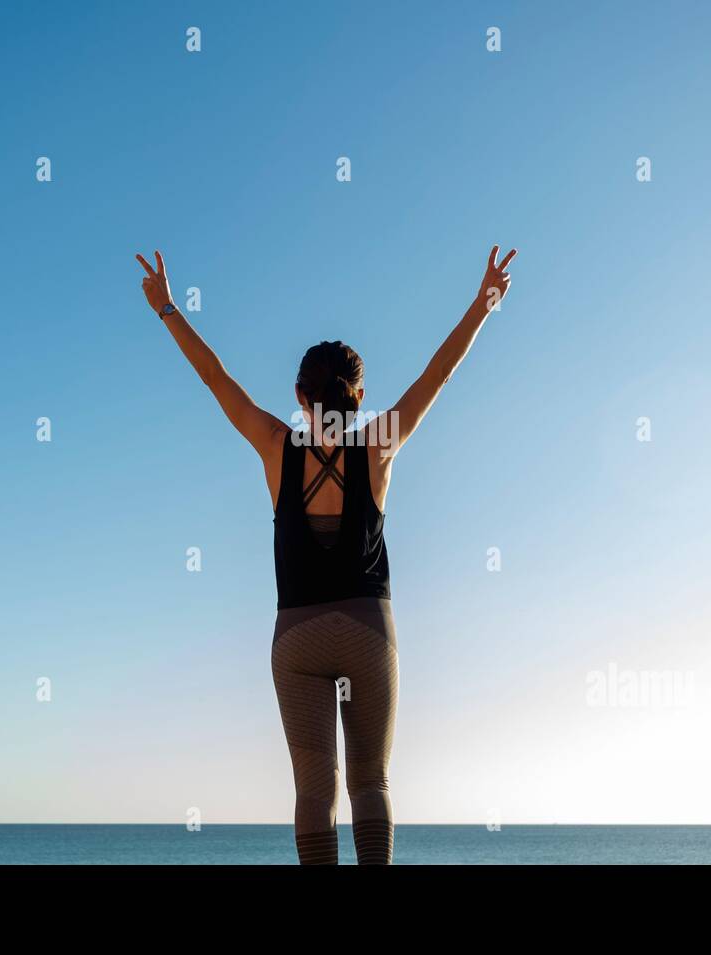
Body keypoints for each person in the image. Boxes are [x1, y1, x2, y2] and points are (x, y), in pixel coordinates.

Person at [135, 245, 516, 864]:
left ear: (298, 394)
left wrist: (168, 309)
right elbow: (438, 375)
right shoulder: (377, 446)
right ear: (360, 395)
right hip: (368, 631)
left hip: (298, 637)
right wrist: (484, 303)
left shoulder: (273, 445)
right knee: (371, 781)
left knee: (315, 790)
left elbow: (215, 379)